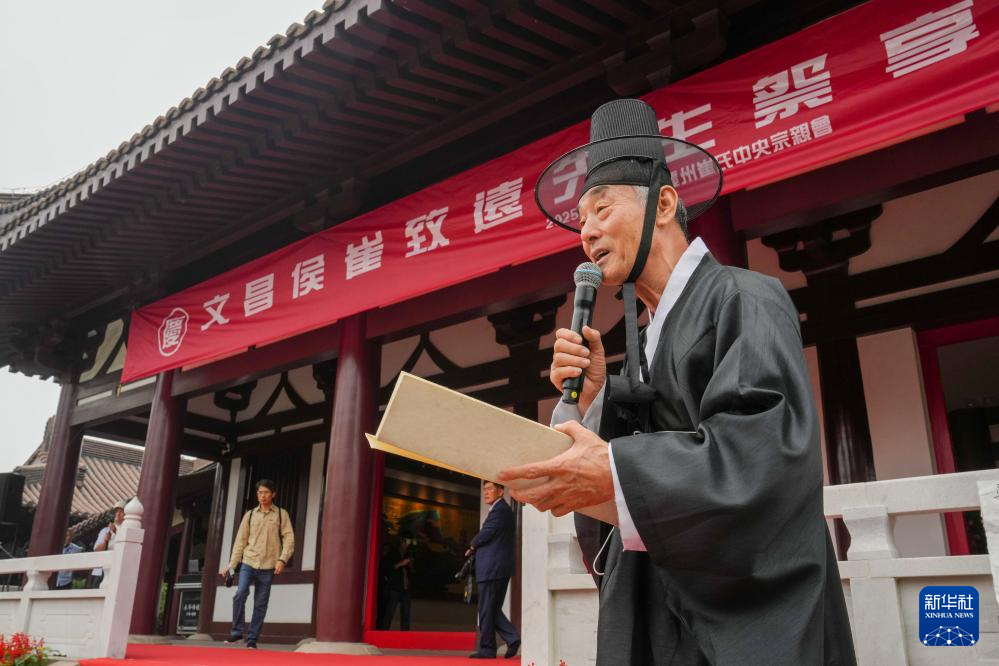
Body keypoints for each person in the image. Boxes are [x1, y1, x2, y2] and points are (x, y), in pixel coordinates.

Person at [500, 98, 855, 664]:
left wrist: (615, 469)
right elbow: (643, 469)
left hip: (742, 620)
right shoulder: (646, 341)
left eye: (602, 208)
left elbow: (761, 454)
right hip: (663, 606)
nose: (586, 232)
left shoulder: (745, 297)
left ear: (664, 204)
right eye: (581, 219)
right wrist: (596, 399)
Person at [221, 479, 294, 649]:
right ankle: (237, 633)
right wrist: (232, 564)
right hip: (248, 561)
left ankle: (252, 639)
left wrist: (282, 559)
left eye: (266, 492)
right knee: (240, 594)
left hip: (269, 565)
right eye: (260, 492)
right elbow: (240, 541)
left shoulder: (281, 514)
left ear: (273, 494)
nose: (263, 496)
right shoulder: (250, 515)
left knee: (260, 603)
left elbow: (289, 538)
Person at [465, 481, 520, 659]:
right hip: (495, 568)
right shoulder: (499, 510)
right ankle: (511, 639)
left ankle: (489, 648)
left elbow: (487, 532)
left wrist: (472, 544)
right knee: (491, 609)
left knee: (487, 609)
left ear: (501, 491)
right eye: (484, 489)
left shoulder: (500, 510)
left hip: (493, 568)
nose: (485, 492)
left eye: (489, 489)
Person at [378, 537, 414, 630]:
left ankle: (405, 635)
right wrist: (401, 563)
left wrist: (410, 565)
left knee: (406, 614)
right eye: (406, 541)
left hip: (406, 588)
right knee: (390, 612)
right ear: (401, 541)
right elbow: (388, 567)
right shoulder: (393, 553)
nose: (408, 544)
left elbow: (412, 572)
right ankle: (383, 632)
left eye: (410, 542)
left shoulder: (408, 554)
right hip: (395, 587)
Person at [88, 501, 126, 588]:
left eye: (121, 512)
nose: (118, 514)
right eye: (116, 512)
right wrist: (105, 540)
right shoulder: (105, 530)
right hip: (100, 570)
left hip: (115, 570)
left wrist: (116, 531)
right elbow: (97, 549)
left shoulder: (126, 530)